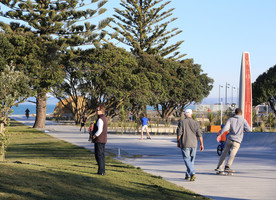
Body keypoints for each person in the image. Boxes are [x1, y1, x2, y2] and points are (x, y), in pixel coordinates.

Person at [215, 108, 251, 172]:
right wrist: (243, 129)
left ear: (235, 113)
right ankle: (227, 166)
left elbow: (225, 128)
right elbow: (249, 129)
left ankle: (219, 167)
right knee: (232, 153)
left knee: (224, 152)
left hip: (229, 139)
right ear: (241, 113)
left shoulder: (231, 119)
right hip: (237, 141)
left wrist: (220, 134)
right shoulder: (243, 120)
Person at [177, 109, 204, 181]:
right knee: (191, 160)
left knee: (186, 159)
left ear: (185, 115)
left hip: (185, 143)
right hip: (194, 144)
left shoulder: (181, 122)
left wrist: (178, 142)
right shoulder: (196, 123)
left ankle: (192, 173)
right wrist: (201, 144)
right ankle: (188, 175)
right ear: (191, 114)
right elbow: (199, 135)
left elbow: (179, 134)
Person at [91, 104, 108, 175]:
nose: (96, 111)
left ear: (101, 111)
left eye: (97, 110)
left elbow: (100, 130)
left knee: (99, 155)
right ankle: (101, 170)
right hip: (103, 140)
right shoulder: (104, 118)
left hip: (99, 140)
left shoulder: (100, 119)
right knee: (101, 155)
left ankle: (101, 171)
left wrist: (94, 136)